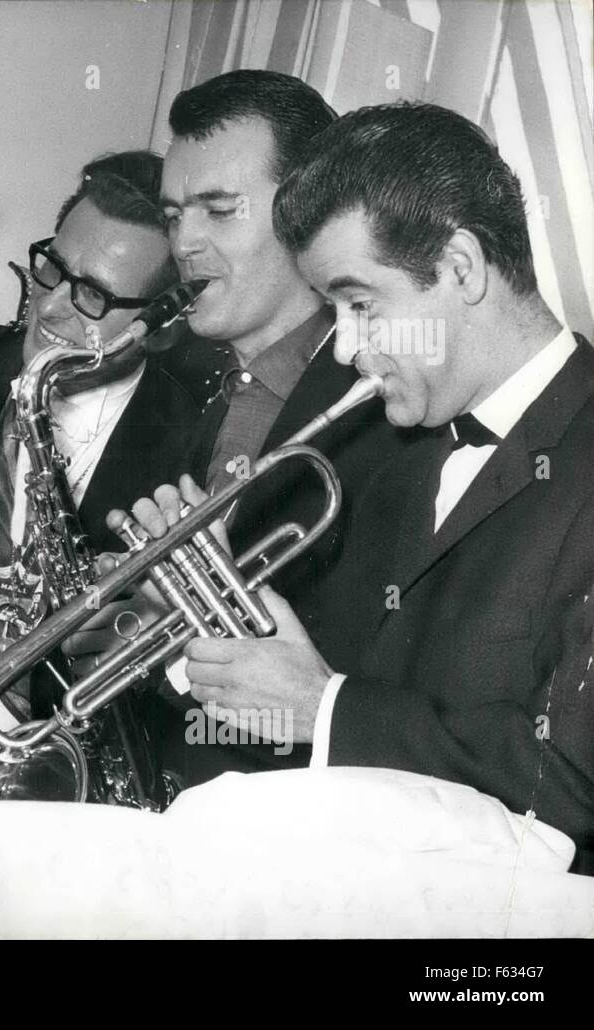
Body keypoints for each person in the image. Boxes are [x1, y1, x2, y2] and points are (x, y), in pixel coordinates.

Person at [136, 101, 593, 871]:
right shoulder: (381, 449)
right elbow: (309, 699)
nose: (345, 349)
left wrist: (325, 708)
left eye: (360, 305)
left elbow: (575, 778)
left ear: (460, 268)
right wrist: (213, 633)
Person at [70, 70, 418, 787]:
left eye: (219, 210)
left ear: (310, 212)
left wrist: (189, 623)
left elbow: (339, 687)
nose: (184, 244)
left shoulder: (382, 415)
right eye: (173, 215)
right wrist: (133, 611)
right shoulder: (218, 395)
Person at [0, 151, 219, 795]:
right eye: (53, 269)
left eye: (93, 295)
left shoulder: (198, 449)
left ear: (163, 329)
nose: (51, 308)